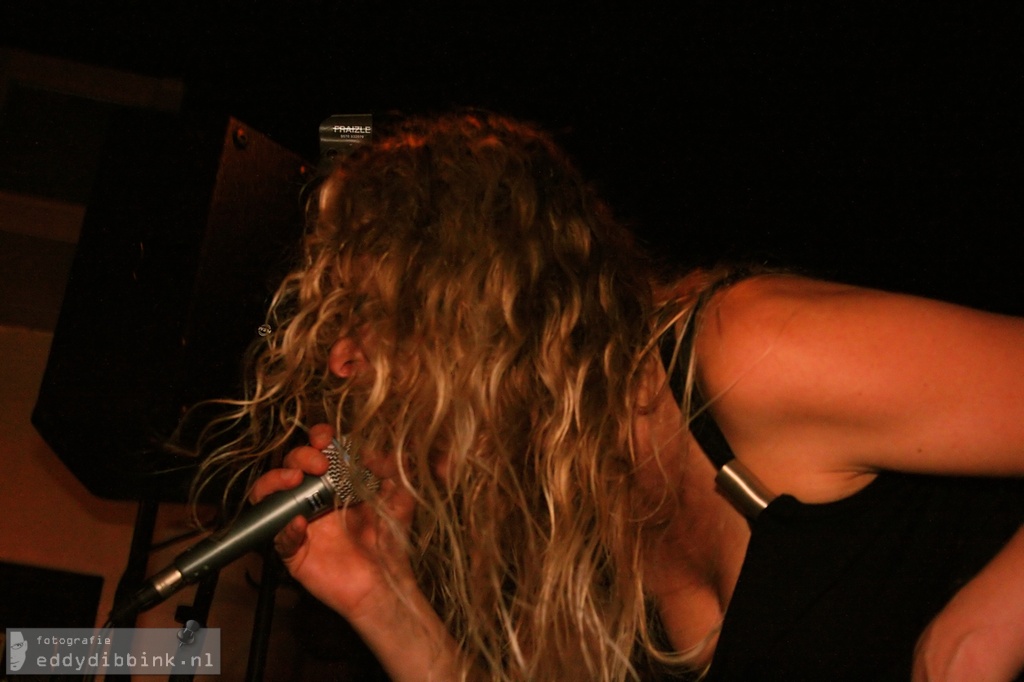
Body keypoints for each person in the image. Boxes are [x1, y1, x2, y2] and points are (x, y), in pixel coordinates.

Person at [193, 111, 1024, 681]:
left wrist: (983, 630)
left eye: (367, 314)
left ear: (485, 298)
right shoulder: (572, 531)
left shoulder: (746, 353)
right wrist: (386, 598)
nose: (340, 362)